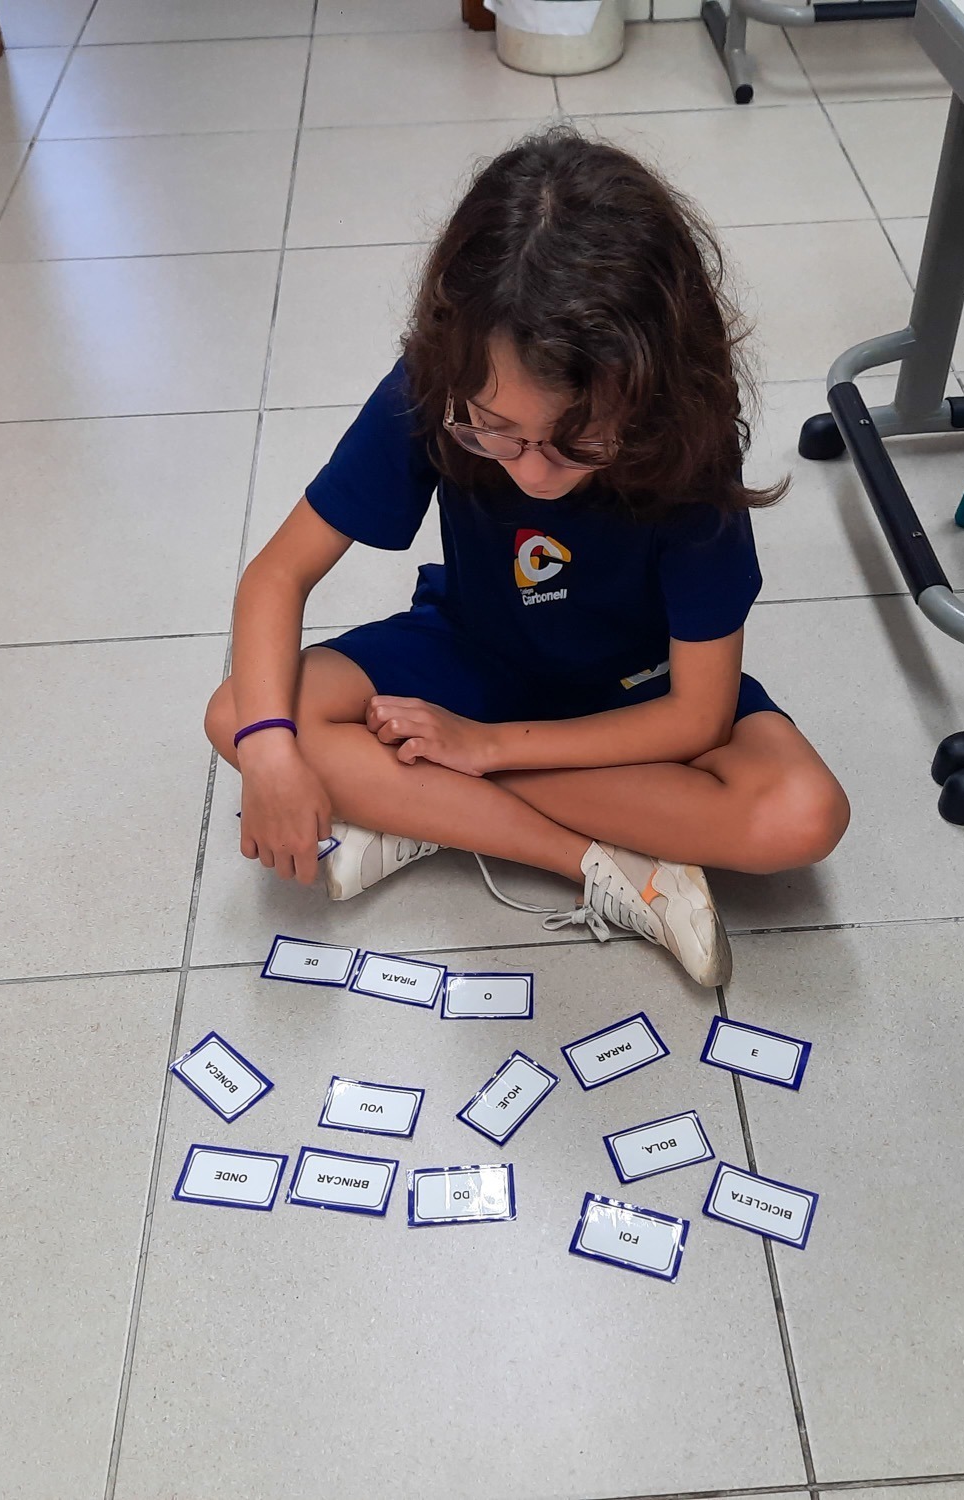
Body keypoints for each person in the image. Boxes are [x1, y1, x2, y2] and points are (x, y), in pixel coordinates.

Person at [204, 127, 849, 987]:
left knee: (803, 817)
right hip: (477, 648)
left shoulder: (688, 445)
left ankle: (424, 809)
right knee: (239, 715)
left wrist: (486, 749)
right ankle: (598, 865)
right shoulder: (434, 384)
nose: (535, 472)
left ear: (653, 396)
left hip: (637, 691)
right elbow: (276, 575)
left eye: (578, 444)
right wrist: (270, 754)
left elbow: (696, 717)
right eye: (493, 431)